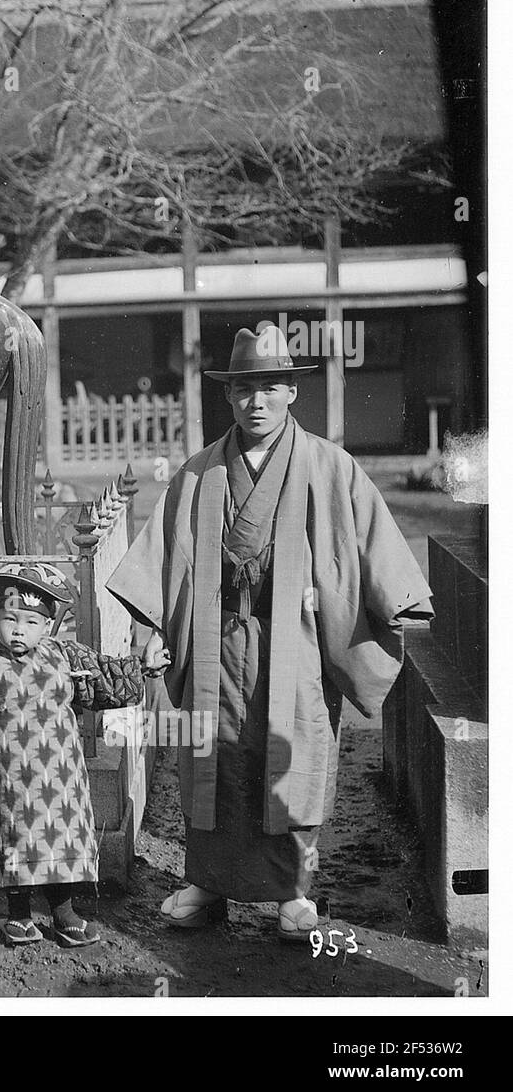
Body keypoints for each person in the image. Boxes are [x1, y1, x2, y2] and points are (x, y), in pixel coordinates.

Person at [106, 323, 433, 940]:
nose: (256, 402)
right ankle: (206, 882)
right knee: (210, 758)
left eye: (270, 388)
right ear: (228, 398)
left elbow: (364, 538)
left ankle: (294, 894)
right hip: (213, 641)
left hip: (297, 643)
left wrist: (398, 601)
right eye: (243, 390)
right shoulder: (200, 473)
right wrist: (152, 624)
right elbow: (166, 555)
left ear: (292, 393)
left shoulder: (329, 467)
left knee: (295, 755)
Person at [0, 565, 170, 947]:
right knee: (15, 841)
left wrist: (143, 665)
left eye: (32, 621)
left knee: (62, 842)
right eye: (10, 619)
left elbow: (106, 677)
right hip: (12, 784)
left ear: (47, 626)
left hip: (61, 781)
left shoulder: (64, 658)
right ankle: (19, 916)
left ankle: (64, 913)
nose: (19, 629)